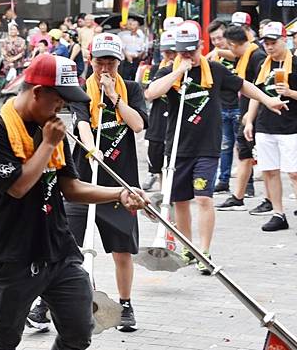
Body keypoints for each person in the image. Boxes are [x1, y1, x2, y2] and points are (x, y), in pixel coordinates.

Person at [0, 53, 149, 350]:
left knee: (79, 332)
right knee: (2, 341)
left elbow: (70, 186)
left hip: (60, 249)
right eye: (59, 100)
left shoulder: (52, 128)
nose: (62, 107)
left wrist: (120, 193)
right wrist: (47, 145)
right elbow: (17, 187)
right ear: (38, 93)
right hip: (14, 255)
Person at [145, 21, 287, 274]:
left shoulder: (215, 70)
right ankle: (187, 247)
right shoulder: (168, 70)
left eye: (192, 50)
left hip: (207, 147)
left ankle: (204, 251)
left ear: (201, 45)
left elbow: (243, 85)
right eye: (183, 51)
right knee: (180, 201)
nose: (188, 55)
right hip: (178, 147)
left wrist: (267, 100)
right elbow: (151, 93)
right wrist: (179, 72)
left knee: (202, 197)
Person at [64, 33, 147, 332]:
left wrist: (114, 98)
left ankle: (125, 304)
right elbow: (83, 124)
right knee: (67, 246)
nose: (105, 68)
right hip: (83, 183)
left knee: (122, 250)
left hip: (121, 184)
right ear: (91, 61)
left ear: (119, 63)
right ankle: (50, 302)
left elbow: (137, 125)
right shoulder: (80, 92)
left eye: (111, 61)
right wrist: (91, 149)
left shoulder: (133, 90)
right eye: (100, 61)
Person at [243, 22, 297, 230]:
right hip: (266, 125)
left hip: (291, 125)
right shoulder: (263, 64)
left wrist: (291, 93)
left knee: (293, 172)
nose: (270, 47)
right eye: (266, 43)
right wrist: (249, 120)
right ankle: (278, 213)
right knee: (269, 170)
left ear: (285, 40)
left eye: (274, 42)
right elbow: (256, 94)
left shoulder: (295, 62)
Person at [216, 25, 267, 212]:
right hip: (244, 112)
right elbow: (230, 55)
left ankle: (268, 199)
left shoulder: (257, 57)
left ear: (233, 44)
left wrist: (250, 115)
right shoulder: (245, 54)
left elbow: (260, 88)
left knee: (263, 158)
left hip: (254, 115)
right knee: (244, 154)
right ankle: (238, 197)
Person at [207, 19, 241, 193]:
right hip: (222, 107)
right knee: (225, 146)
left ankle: (247, 186)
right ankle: (223, 181)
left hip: (239, 106)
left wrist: (218, 51)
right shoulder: (215, 56)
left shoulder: (238, 51)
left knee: (242, 148)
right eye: (213, 40)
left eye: (219, 38)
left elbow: (236, 56)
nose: (217, 42)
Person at [142, 29, 177, 192]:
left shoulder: (185, 70)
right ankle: (161, 189)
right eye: (167, 52)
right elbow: (147, 94)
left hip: (176, 121)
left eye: (174, 52)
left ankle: (168, 194)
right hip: (157, 122)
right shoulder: (154, 69)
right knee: (157, 162)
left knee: (172, 163)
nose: (170, 56)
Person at [118, 16, 146, 81]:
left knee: (135, 77)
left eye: (135, 25)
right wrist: (128, 56)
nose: (133, 27)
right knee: (125, 77)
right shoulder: (125, 36)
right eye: (132, 25)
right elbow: (123, 48)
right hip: (127, 59)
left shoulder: (141, 38)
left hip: (137, 59)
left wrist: (138, 55)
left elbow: (143, 48)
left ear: (138, 27)